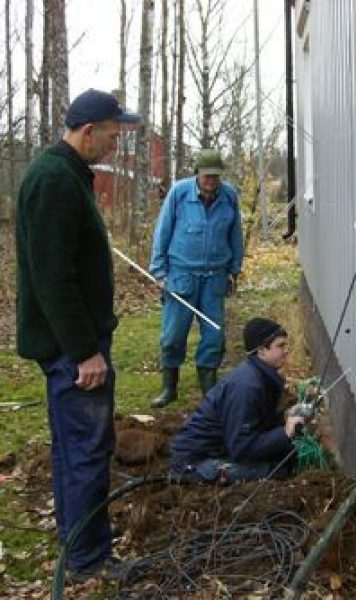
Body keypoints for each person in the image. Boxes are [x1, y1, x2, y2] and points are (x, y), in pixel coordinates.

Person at [16, 89, 139, 582]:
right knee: (87, 448)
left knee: (74, 446)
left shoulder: (65, 174)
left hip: (75, 344)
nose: (115, 146)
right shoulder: (53, 180)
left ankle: (77, 543)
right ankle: (90, 560)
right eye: (112, 136)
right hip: (74, 350)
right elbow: (53, 277)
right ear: (88, 131)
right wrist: (86, 352)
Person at [149, 149, 244, 408]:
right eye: (206, 176)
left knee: (214, 336)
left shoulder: (229, 197)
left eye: (215, 176)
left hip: (215, 277)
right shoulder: (179, 194)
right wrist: (158, 271)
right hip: (181, 276)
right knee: (172, 337)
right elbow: (163, 231)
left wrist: (234, 269)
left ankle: (209, 390)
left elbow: (236, 235)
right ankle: (169, 388)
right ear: (197, 174)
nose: (211, 181)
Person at [169, 317, 306, 484]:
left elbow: (255, 423)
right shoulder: (247, 386)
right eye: (280, 346)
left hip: (220, 449)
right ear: (262, 351)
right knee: (278, 470)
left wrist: (284, 417)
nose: (286, 350)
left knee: (287, 454)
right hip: (194, 463)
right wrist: (285, 432)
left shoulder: (260, 377)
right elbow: (242, 447)